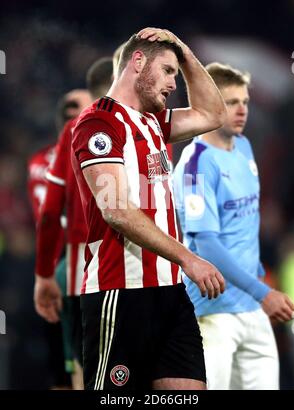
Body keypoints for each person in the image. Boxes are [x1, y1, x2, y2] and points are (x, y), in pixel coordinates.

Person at [69, 27, 226, 391]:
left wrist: (183, 52)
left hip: (170, 291)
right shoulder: (99, 123)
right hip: (121, 292)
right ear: (137, 62)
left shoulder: (154, 122)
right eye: (169, 71)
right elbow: (117, 211)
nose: (175, 83)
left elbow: (212, 113)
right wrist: (189, 258)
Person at [173, 62, 294, 390]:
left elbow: (244, 224)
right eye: (231, 102)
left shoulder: (244, 147)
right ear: (209, 105)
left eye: (244, 101)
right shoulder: (196, 166)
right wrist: (264, 292)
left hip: (251, 305)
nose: (241, 110)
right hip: (212, 312)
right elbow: (207, 245)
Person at [34, 58, 114, 389]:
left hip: (81, 266)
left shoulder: (71, 133)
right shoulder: (151, 128)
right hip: (142, 267)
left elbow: (50, 213)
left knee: (84, 369)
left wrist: (43, 273)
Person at [28, 89, 91, 389]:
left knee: (62, 370)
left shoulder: (38, 161)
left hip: (50, 268)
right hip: (77, 267)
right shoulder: (89, 151)